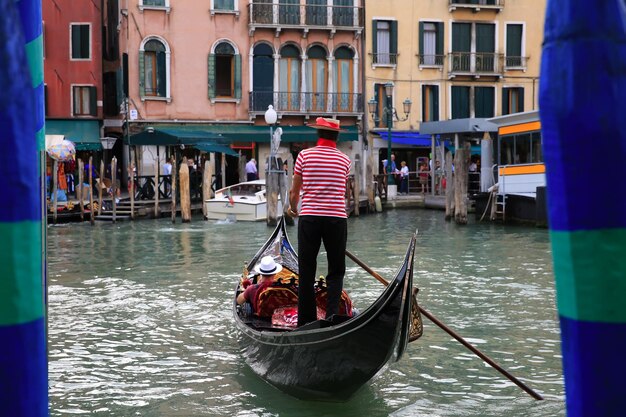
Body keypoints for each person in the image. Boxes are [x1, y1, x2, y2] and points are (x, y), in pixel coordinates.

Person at [288, 117, 351, 327]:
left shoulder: (304, 156)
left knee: (306, 269)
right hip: (336, 219)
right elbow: (343, 191)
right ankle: (332, 318)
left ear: (318, 134)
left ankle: (306, 321)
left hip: (310, 219)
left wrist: (292, 208)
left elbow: (294, 192)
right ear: (337, 135)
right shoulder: (345, 160)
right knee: (336, 270)